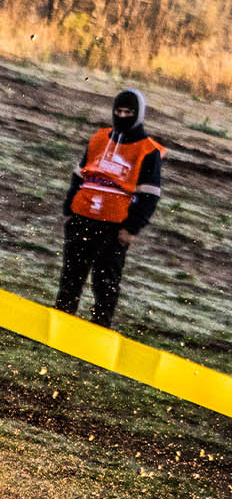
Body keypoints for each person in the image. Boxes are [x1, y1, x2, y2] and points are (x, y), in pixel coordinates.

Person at [57, 87, 164, 328]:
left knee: (105, 283)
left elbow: (149, 196)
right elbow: (78, 177)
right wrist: (68, 211)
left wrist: (131, 228)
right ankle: (60, 323)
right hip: (81, 217)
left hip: (114, 227)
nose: (122, 116)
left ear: (138, 115)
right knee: (71, 276)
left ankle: (99, 328)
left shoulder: (148, 151)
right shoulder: (98, 139)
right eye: (119, 111)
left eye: (128, 112)